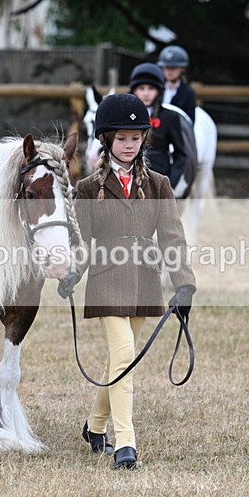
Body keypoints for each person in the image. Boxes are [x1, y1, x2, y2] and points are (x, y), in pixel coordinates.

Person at [57, 93, 197, 468]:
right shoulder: (87, 188)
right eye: (122, 138)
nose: (130, 144)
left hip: (144, 280)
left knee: (123, 359)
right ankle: (125, 443)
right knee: (122, 356)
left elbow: (172, 237)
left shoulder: (159, 184)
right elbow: (81, 242)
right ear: (106, 140)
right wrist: (72, 274)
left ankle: (95, 426)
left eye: (136, 137)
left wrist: (184, 285)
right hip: (106, 281)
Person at [128, 62, 198, 199]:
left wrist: (171, 183)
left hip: (159, 178)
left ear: (159, 91)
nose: (146, 93)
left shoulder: (170, 117)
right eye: (141, 88)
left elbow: (181, 154)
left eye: (151, 89)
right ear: (134, 91)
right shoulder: (125, 115)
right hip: (130, 178)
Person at [158, 44, 197, 123]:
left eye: (173, 67)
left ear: (182, 69)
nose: (169, 71)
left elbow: (190, 121)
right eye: (166, 67)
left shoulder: (188, 93)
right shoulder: (157, 88)